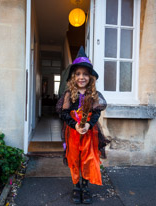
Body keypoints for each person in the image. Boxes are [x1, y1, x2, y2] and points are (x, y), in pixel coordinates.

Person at [56, 46, 109, 204]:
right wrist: (75, 125)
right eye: (78, 74)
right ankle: (76, 187)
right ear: (73, 76)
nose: (81, 77)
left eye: (85, 74)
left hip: (89, 134)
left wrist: (89, 124)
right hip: (73, 133)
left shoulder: (93, 95)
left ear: (90, 77)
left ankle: (85, 188)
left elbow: (97, 113)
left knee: (87, 159)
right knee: (74, 159)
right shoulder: (68, 94)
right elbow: (64, 113)